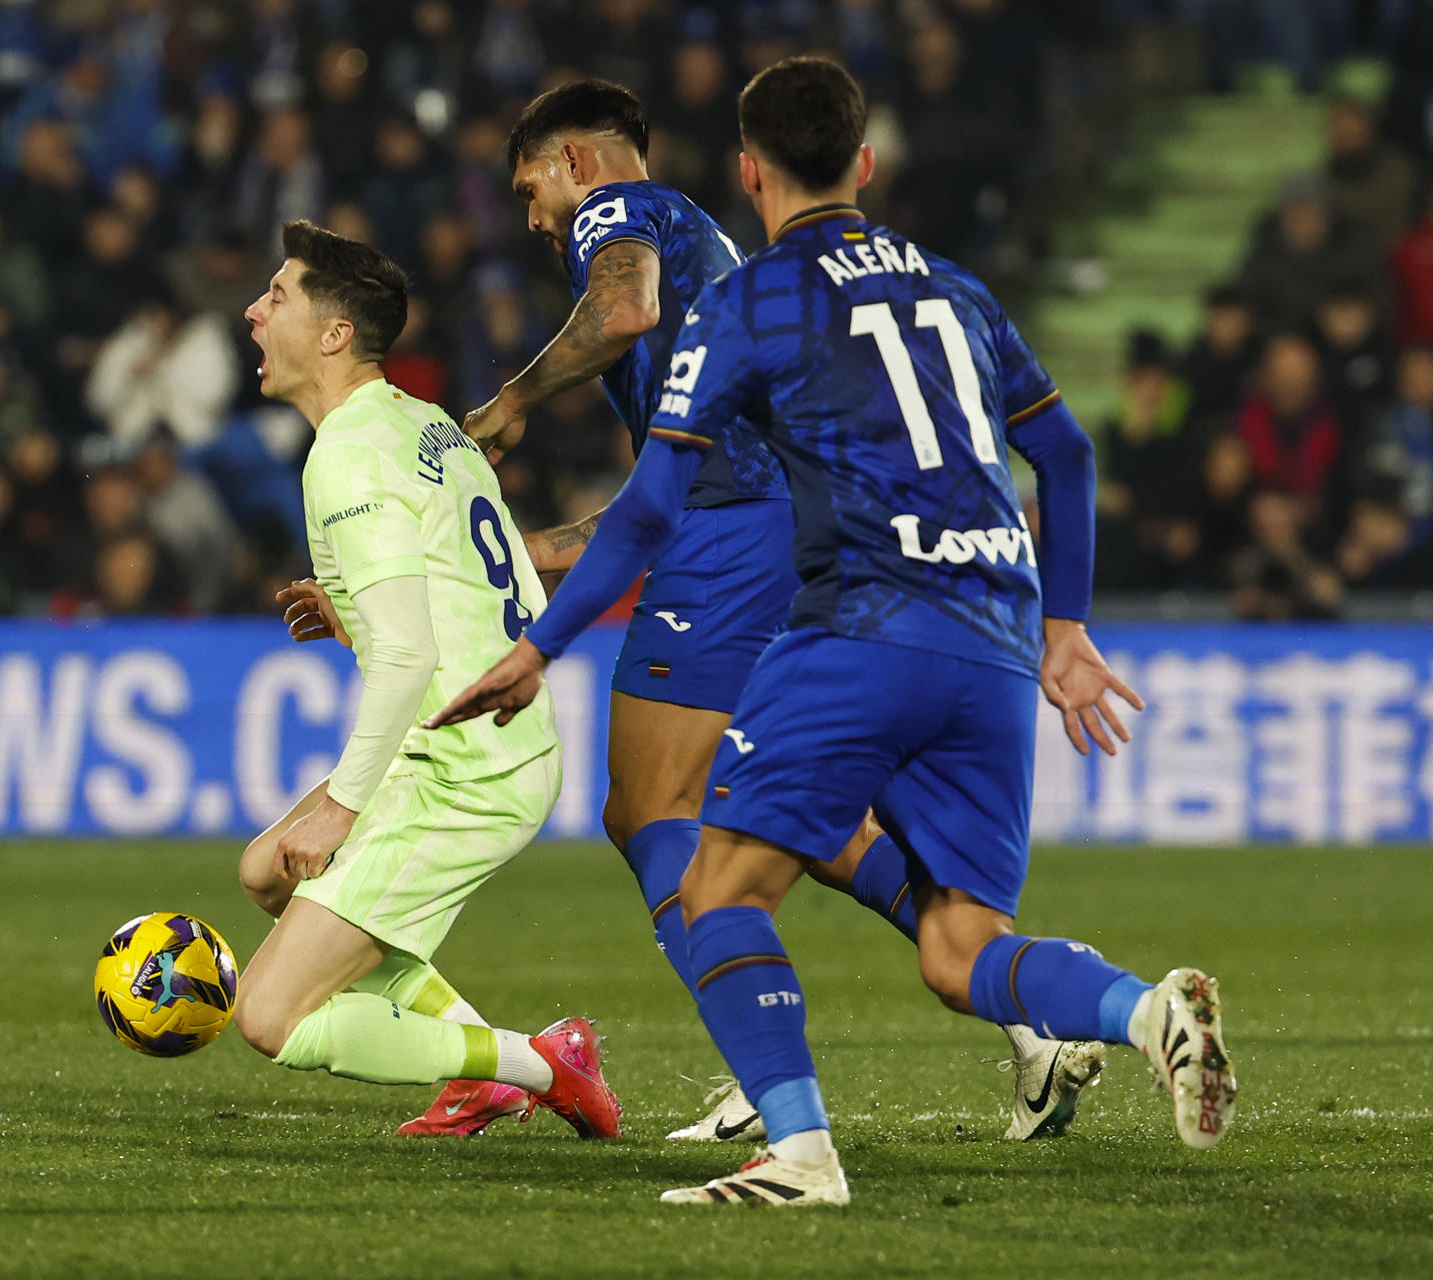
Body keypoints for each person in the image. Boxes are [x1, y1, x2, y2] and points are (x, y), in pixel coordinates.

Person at [430, 57, 1236, 1206]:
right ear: (866, 162)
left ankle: (787, 1124)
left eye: (529, 189)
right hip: (994, 630)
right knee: (943, 932)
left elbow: (647, 427)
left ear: (749, 170)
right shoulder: (955, 288)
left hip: (843, 599)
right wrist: (1068, 627)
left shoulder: (710, 273)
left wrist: (537, 621)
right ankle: (1126, 1011)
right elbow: (1064, 451)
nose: (534, 211)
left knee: (683, 844)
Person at [229, 220, 618, 1140]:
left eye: (276, 294)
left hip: (464, 772)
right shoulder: (421, 421)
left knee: (267, 1017)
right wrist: (356, 604)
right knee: (265, 873)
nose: (253, 311)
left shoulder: (349, 453)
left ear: (333, 335)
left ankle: (535, 1062)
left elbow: (406, 660)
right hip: (478, 743)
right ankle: (487, 1061)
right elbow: (487, 577)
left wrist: (342, 806)